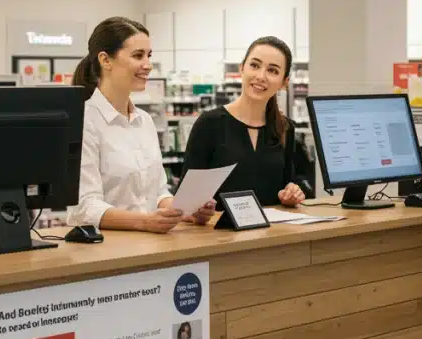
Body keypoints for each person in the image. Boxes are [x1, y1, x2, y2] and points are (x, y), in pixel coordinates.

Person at [68, 16, 215, 233]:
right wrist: (144, 222)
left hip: (149, 246)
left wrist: (185, 210)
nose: (147, 65)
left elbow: (158, 192)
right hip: (104, 250)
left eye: (149, 56)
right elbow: (85, 207)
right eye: (138, 56)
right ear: (105, 60)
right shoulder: (84, 122)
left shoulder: (144, 121)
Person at [182, 36, 306, 208]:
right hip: (219, 233)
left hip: (272, 232)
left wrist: (291, 193)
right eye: (254, 65)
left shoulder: (285, 128)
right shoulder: (209, 124)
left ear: (284, 83)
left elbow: (287, 184)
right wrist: (198, 210)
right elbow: (186, 199)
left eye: (273, 70)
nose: (261, 76)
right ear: (242, 68)